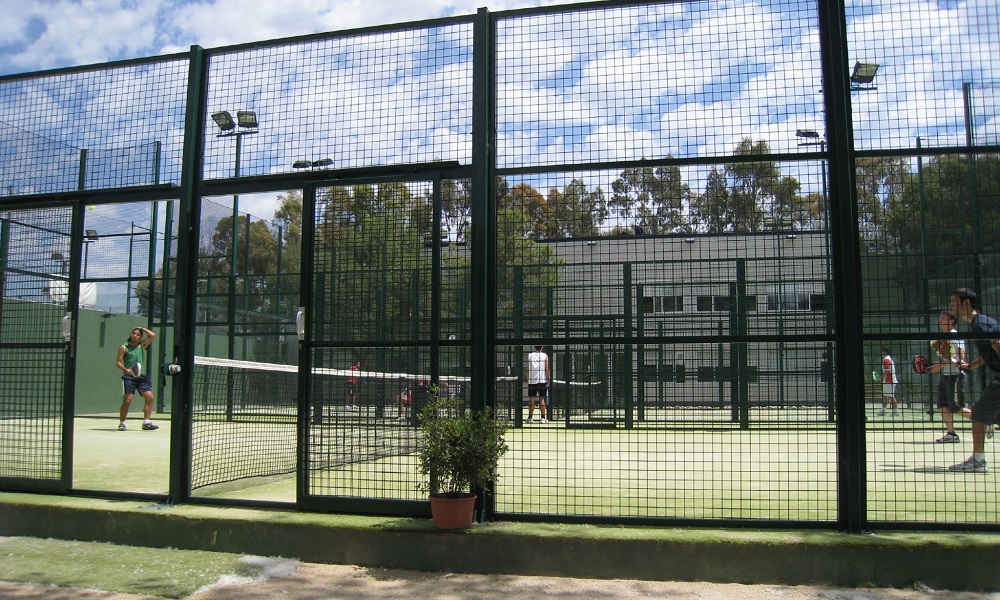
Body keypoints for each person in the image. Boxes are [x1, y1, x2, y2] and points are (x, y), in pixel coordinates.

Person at [948, 288, 1000, 472]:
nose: (951, 305)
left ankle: (977, 461)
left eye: (954, 301)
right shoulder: (980, 323)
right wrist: (971, 365)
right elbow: (990, 350)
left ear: (966, 303)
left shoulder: (980, 325)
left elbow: (998, 345)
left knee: (977, 413)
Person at [928, 311, 970, 443]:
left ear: (952, 321)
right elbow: (947, 358)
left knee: (955, 407)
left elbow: (961, 359)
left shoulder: (955, 336)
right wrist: (939, 364)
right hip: (945, 375)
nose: (940, 320)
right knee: (942, 405)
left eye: (944, 318)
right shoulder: (943, 337)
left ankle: (985, 421)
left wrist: (941, 364)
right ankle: (951, 434)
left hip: (956, 375)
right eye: (940, 318)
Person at [115, 326, 159, 431]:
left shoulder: (142, 345)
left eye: (137, 334)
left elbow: (152, 335)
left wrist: (142, 328)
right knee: (127, 400)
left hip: (142, 377)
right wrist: (126, 369)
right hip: (129, 377)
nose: (135, 335)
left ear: (140, 337)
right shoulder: (124, 347)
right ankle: (122, 423)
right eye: (133, 333)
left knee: (150, 397)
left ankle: (146, 423)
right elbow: (118, 362)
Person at [525, 345, 550, 423]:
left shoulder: (530, 355)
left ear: (534, 347)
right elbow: (547, 369)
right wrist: (548, 379)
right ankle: (543, 418)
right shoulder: (545, 356)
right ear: (542, 347)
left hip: (532, 381)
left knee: (532, 398)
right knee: (542, 398)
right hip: (542, 380)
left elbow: (527, 369)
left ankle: (530, 418)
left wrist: (528, 379)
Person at [876, 347, 899, 417]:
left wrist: (882, 379)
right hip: (888, 381)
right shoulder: (887, 359)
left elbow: (886, 370)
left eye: (882, 352)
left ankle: (896, 412)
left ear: (885, 352)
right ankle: (883, 410)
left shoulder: (886, 359)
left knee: (891, 397)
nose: (881, 353)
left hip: (889, 381)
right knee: (885, 396)